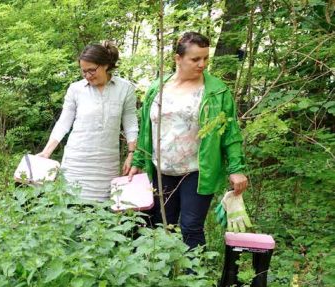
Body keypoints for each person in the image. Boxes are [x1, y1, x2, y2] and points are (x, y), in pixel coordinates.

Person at [128, 32, 248, 249]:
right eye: (195, 59)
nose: (202, 64)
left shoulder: (216, 91)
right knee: (162, 224)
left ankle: (194, 269)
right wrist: (137, 161)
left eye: (205, 58)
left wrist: (236, 168)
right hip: (161, 170)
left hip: (197, 171)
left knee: (191, 226)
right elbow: (147, 129)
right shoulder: (157, 89)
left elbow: (230, 133)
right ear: (178, 58)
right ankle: (167, 269)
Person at [37, 42, 139, 201]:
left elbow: (130, 124)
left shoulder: (125, 88)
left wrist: (132, 153)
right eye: (83, 71)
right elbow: (63, 123)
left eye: (91, 70)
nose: (88, 75)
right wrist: (46, 152)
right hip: (76, 162)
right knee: (72, 206)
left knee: (102, 210)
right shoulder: (75, 89)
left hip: (107, 165)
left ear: (105, 65)